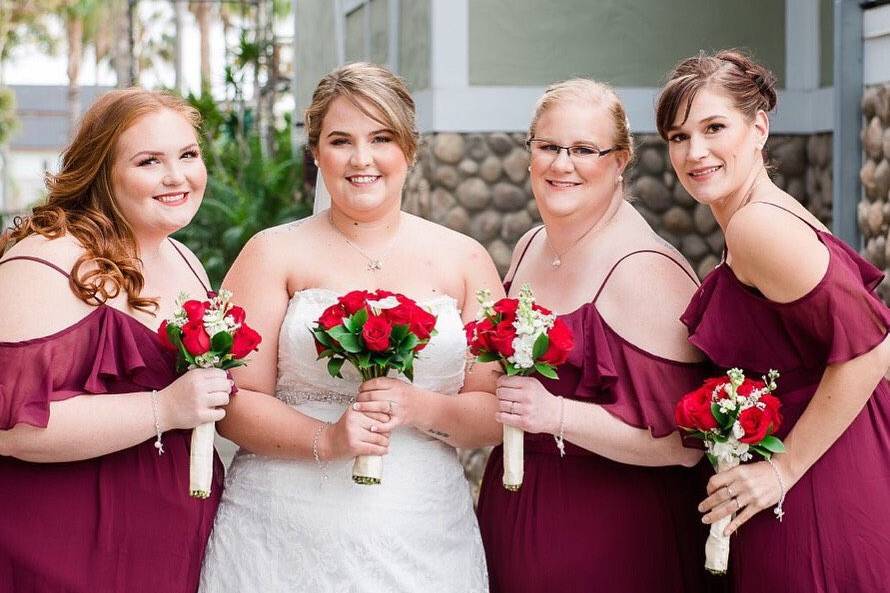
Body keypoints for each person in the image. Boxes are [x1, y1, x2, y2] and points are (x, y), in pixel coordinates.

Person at [198, 63, 502, 593]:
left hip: (423, 534)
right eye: (341, 141)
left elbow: (494, 412)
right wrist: (329, 438)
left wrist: (419, 407)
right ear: (316, 153)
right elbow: (235, 403)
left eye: (381, 137)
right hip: (281, 535)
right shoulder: (272, 252)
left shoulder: (465, 259)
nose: (362, 159)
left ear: (408, 148)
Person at [657, 49, 890, 593]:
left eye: (715, 127)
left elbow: (872, 349)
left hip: (818, 486)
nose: (696, 152)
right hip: (823, 470)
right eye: (678, 136)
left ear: (759, 127)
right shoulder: (756, 217)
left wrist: (782, 472)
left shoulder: (758, 227)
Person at [475, 78, 711, 593]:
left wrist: (554, 414)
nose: (563, 165)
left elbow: (684, 446)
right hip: (518, 515)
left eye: (585, 150)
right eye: (549, 147)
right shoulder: (530, 244)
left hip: (615, 538)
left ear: (621, 159)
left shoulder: (646, 270)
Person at [0, 89, 230, 593]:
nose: (177, 177)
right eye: (150, 161)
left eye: (188, 155)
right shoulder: (49, 259)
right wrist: (164, 409)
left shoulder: (184, 257)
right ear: (101, 170)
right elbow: (11, 429)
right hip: (63, 554)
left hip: (169, 553)